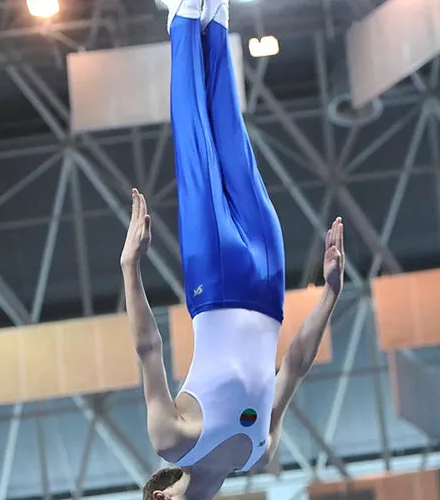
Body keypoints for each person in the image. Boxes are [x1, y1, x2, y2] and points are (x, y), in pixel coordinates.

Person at [119, 1, 346, 499]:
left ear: (159, 497)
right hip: (268, 281)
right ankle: (216, 18)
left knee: (197, 149)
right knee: (232, 137)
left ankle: (182, 18)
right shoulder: (259, 452)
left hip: (215, 283)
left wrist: (130, 267)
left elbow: (148, 348)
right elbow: (295, 364)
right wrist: (330, 293)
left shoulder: (171, 439)